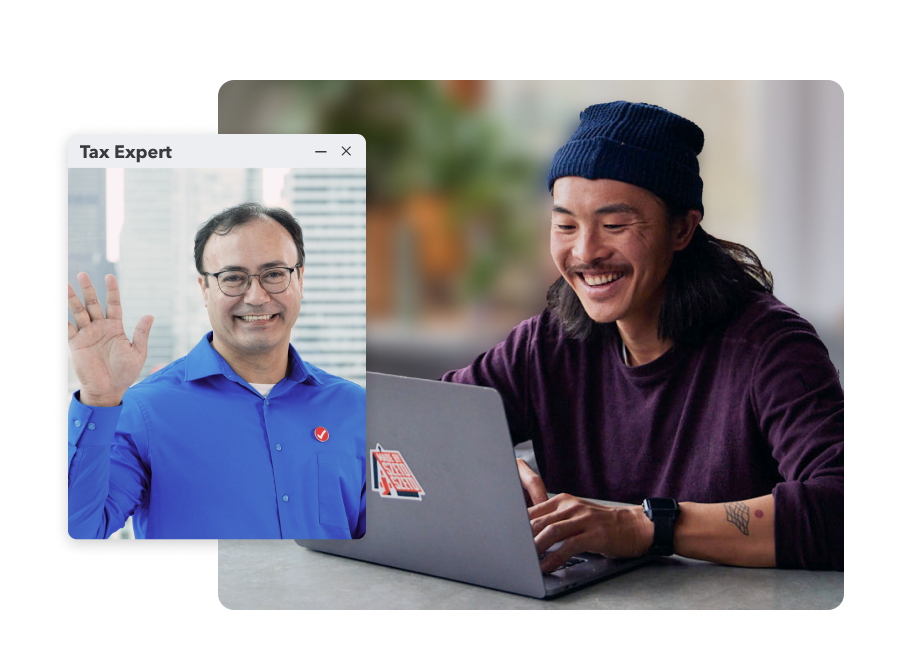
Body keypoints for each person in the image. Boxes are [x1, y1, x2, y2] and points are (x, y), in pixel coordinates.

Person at [442, 102, 843, 572]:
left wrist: (644, 527)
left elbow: (849, 506)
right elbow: (425, 421)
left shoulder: (770, 348)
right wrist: (477, 459)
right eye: (565, 225)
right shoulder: (547, 345)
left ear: (681, 228)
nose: (586, 251)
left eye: (615, 225)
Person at [67, 203, 366, 540]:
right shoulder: (144, 410)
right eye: (233, 278)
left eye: (274, 274)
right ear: (204, 289)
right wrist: (99, 398)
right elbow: (79, 531)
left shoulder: (356, 408)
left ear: (299, 279)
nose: (256, 296)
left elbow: (394, 545)